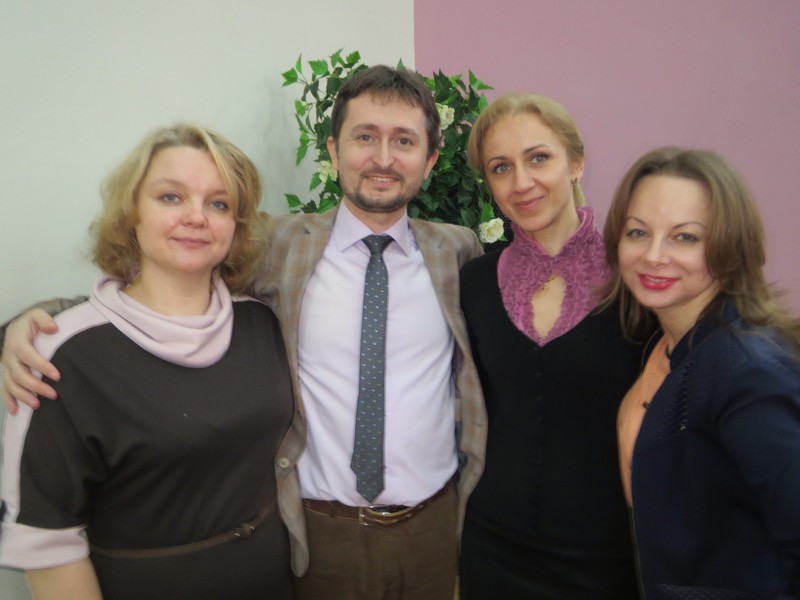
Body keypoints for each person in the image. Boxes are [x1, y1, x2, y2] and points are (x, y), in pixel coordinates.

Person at [1, 66, 487, 600]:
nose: (383, 158)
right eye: (365, 137)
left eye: (404, 141)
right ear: (334, 149)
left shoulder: (458, 251)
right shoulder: (281, 243)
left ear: (430, 160)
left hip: (433, 526)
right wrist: (33, 324)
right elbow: (166, 279)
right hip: (316, 532)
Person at [0, 124, 295, 599]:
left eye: (218, 204)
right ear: (131, 211)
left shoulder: (260, 323)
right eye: (170, 197)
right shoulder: (61, 356)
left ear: (236, 227)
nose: (196, 217)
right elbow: (48, 545)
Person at [458, 93, 642, 598]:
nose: (521, 182)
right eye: (501, 167)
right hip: (491, 550)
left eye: (538, 158)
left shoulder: (635, 277)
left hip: (605, 557)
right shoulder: (473, 282)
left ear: (576, 162)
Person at [604, 146, 800, 597]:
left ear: (729, 245)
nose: (654, 255)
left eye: (685, 237)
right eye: (638, 232)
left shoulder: (748, 373)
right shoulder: (667, 345)